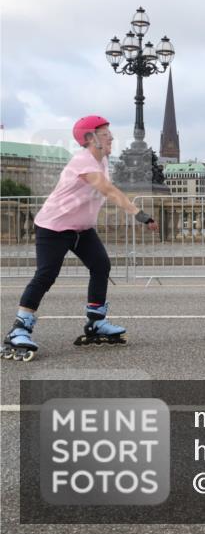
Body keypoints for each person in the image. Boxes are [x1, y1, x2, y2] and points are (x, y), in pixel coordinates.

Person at [2, 116, 159, 362]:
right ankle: (19, 329)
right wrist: (141, 215)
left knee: (101, 266)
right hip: (54, 227)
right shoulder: (82, 161)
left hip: (82, 229)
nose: (112, 138)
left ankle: (95, 322)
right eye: (106, 134)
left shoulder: (102, 159)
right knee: (46, 274)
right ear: (90, 139)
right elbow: (109, 191)